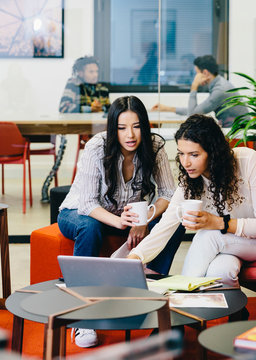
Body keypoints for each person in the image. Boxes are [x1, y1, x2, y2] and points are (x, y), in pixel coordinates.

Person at [57, 95, 185, 347]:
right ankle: (83, 315)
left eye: (136, 127)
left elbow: (169, 194)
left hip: (128, 217)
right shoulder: (96, 147)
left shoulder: (155, 146)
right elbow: (87, 204)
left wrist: (144, 219)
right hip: (81, 214)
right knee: (89, 226)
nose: (130, 135)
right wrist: (120, 223)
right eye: (122, 127)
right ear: (112, 128)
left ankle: (150, 287)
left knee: (177, 220)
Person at [127, 114, 256, 287]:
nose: (186, 162)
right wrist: (134, 258)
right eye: (181, 154)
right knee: (220, 271)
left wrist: (218, 223)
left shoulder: (247, 160)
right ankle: (232, 312)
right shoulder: (191, 181)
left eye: (194, 155)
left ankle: (183, 298)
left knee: (207, 236)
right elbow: (165, 228)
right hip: (232, 239)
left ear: (213, 152)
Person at [151, 55, 247, 127]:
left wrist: (194, 86)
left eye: (196, 73)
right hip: (233, 130)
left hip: (238, 133)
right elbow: (196, 110)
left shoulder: (220, 90)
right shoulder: (219, 84)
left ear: (205, 73)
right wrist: (168, 108)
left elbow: (192, 114)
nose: (195, 77)